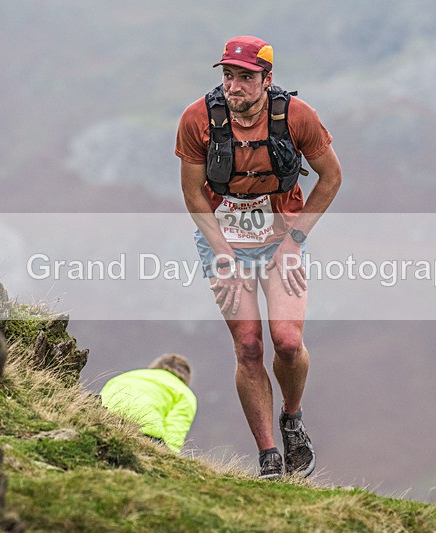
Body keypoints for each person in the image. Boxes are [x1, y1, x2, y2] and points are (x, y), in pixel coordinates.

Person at [175, 36, 342, 478]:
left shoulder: (297, 117)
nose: (234, 86)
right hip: (221, 238)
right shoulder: (198, 119)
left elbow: (331, 178)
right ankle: (268, 456)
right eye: (228, 75)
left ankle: (292, 419)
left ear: (267, 80)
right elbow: (193, 194)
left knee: (287, 341)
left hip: (280, 237)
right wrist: (223, 253)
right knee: (248, 345)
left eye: (245, 77)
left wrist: (294, 242)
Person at [99, 353, 197, 453]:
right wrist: (171, 456)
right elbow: (175, 428)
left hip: (104, 421)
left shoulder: (127, 376)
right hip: (145, 432)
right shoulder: (184, 393)